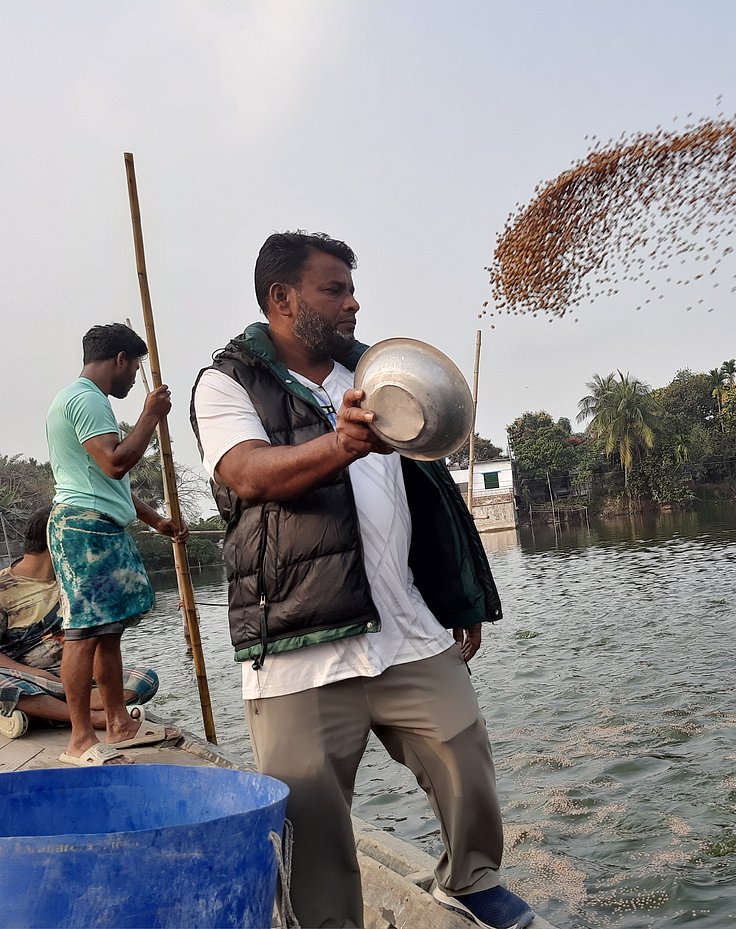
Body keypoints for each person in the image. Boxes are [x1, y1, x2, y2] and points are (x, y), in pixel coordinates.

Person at [190, 231, 534, 929]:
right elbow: (249, 474)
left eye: (351, 287)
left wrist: (460, 592)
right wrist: (339, 444)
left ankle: (468, 880)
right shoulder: (226, 382)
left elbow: (429, 486)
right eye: (334, 288)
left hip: (407, 625)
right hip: (299, 643)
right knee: (310, 820)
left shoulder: (376, 374)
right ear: (282, 299)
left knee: (463, 750)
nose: (353, 301)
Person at [45, 322, 185, 766]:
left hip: (99, 525)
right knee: (83, 632)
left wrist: (156, 520)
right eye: (136, 364)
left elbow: (109, 486)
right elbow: (115, 463)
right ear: (121, 360)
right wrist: (151, 415)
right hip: (83, 530)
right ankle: (81, 739)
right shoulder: (87, 398)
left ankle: (120, 724)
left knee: (108, 633)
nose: (135, 374)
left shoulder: (80, 399)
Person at [0, 506, 160, 740]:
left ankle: (37, 712)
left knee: (145, 680)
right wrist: (39, 675)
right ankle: (93, 718)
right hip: (23, 676)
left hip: (74, 679)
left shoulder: (75, 582)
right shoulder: (3, 589)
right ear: (59, 541)